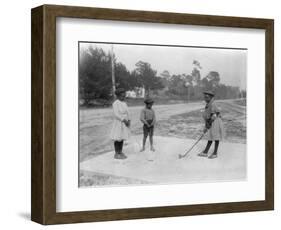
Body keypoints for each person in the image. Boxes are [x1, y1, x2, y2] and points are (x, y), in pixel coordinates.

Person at [198, 90, 224, 159]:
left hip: (216, 122)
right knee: (210, 136)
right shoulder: (208, 104)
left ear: (211, 97)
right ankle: (205, 152)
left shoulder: (213, 104)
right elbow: (207, 115)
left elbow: (216, 113)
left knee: (216, 137)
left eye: (207, 97)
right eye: (205, 97)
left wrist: (209, 123)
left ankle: (215, 153)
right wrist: (207, 124)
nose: (205, 99)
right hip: (211, 121)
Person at [109, 88, 131, 159]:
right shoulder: (115, 103)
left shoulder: (124, 103)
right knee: (117, 137)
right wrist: (124, 120)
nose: (123, 97)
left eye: (124, 96)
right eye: (122, 96)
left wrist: (129, 120)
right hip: (119, 122)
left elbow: (128, 112)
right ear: (117, 96)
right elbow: (116, 114)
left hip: (124, 123)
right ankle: (116, 153)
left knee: (122, 137)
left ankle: (120, 151)